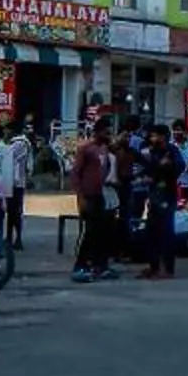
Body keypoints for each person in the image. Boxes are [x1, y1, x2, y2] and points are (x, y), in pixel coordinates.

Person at [71, 117, 122, 284]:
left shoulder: (105, 149)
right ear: (98, 132)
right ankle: (80, 266)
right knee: (90, 232)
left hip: (102, 195)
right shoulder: (86, 148)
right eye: (106, 132)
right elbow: (76, 173)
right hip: (89, 195)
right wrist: (81, 197)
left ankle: (101, 265)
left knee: (105, 231)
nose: (109, 134)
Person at [138, 119, 185, 279]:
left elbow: (179, 167)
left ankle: (167, 268)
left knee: (166, 232)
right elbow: (145, 168)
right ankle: (153, 266)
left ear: (163, 137)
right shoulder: (150, 151)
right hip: (153, 196)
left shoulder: (172, 151)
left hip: (166, 195)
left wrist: (164, 168)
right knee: (151, 231)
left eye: (155, 136)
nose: (152, 138)